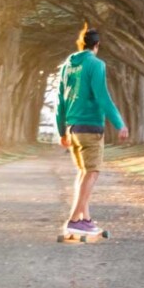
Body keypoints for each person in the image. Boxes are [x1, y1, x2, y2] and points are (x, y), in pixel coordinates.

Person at [56, 22, 129, 236]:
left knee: (83, 172)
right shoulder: (96, 64)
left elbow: (60, 100)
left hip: (73, 127)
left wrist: (62, 131)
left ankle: (85, 220)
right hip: (90, 126)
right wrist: (119, 123)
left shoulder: (68, 65)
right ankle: (73, 219)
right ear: (97, 45)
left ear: (81, 44)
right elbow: (102, 96)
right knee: (92, 172)